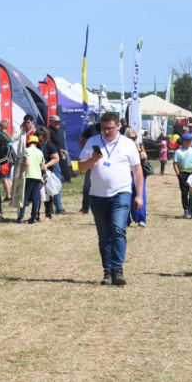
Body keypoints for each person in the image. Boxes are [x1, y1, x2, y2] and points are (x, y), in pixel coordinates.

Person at [79, 112, 143, 286]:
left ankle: (118, 270)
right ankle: (107, 272)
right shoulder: (93, 142)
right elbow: (80, 167)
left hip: (121, 193)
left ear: (117, 127)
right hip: (97, 195)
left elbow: (137, 170)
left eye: (110, 128)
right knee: (104, 235)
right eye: (103, 128)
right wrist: (92, 159)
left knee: (118, 228)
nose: (106, 132)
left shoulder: (127, 144)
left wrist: (138, 195)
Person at [16, 135, 45, 224]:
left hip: (29, 175)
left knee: (25, 196)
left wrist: (21, 173)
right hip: (38, 176)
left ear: (28, 142)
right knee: (36, 197)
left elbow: (27, 163)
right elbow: (43, 166)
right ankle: (34, 217)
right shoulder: (40, 152)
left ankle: (21, 217)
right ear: (36, 143)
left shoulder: (27, 150)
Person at [34, 127, 59, 222]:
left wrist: (47, 165)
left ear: (45, 137)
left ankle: (48, 214)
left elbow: (56, 158)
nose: (39, 143)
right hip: (35, 173)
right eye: (37, 140)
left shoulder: (50, 146)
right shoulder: (33, 145)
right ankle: (35, 215)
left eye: (41, 140)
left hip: (46, 173)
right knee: (36, 195)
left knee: (47, 193)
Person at [173, 133, 192, 219]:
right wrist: (179, 175)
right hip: (183, 174)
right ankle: (185, 209)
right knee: (184, 193)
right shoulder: (178, 151)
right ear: (184, 141)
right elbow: (175, 164)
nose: (191, 142)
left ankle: (191, 210)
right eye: (189, 141)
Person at [124, 128, 147, 227]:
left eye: (134, 138)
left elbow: (144, 157)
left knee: (140, 195)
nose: (132, 140)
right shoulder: (122, 146)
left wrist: (138, 148)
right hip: (125, 173)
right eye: (129, 138)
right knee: (125, 197)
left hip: (138, 173)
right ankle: (126, 220)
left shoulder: (140, 145)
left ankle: (140, 219)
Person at [78, 121, 101, 214]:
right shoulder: (93, 128)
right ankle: (85, 207)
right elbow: (82, 139)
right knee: (87, 184)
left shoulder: (113, 130)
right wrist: (84, 153)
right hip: (92, 161)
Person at [47, 115, 69, 214]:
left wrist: (59, 149)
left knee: (52, 184)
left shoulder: (52, 131)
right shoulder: (49, 131)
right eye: (56, 121)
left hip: (53, 160)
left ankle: (52, 208)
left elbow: (52, 145)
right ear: (50, 121)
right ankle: (58, 208)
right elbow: (47, 146)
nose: (58, 123)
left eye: (59, 121)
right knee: (57, 184)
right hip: (53, 161)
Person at [0, 120, 14, 204]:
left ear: (2, 126)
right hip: (9, 158)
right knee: (8, 178)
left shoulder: (3, 135)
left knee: (4, 178)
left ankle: (8, 196)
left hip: (6, 158)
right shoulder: (8, 135)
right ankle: (11, 194)